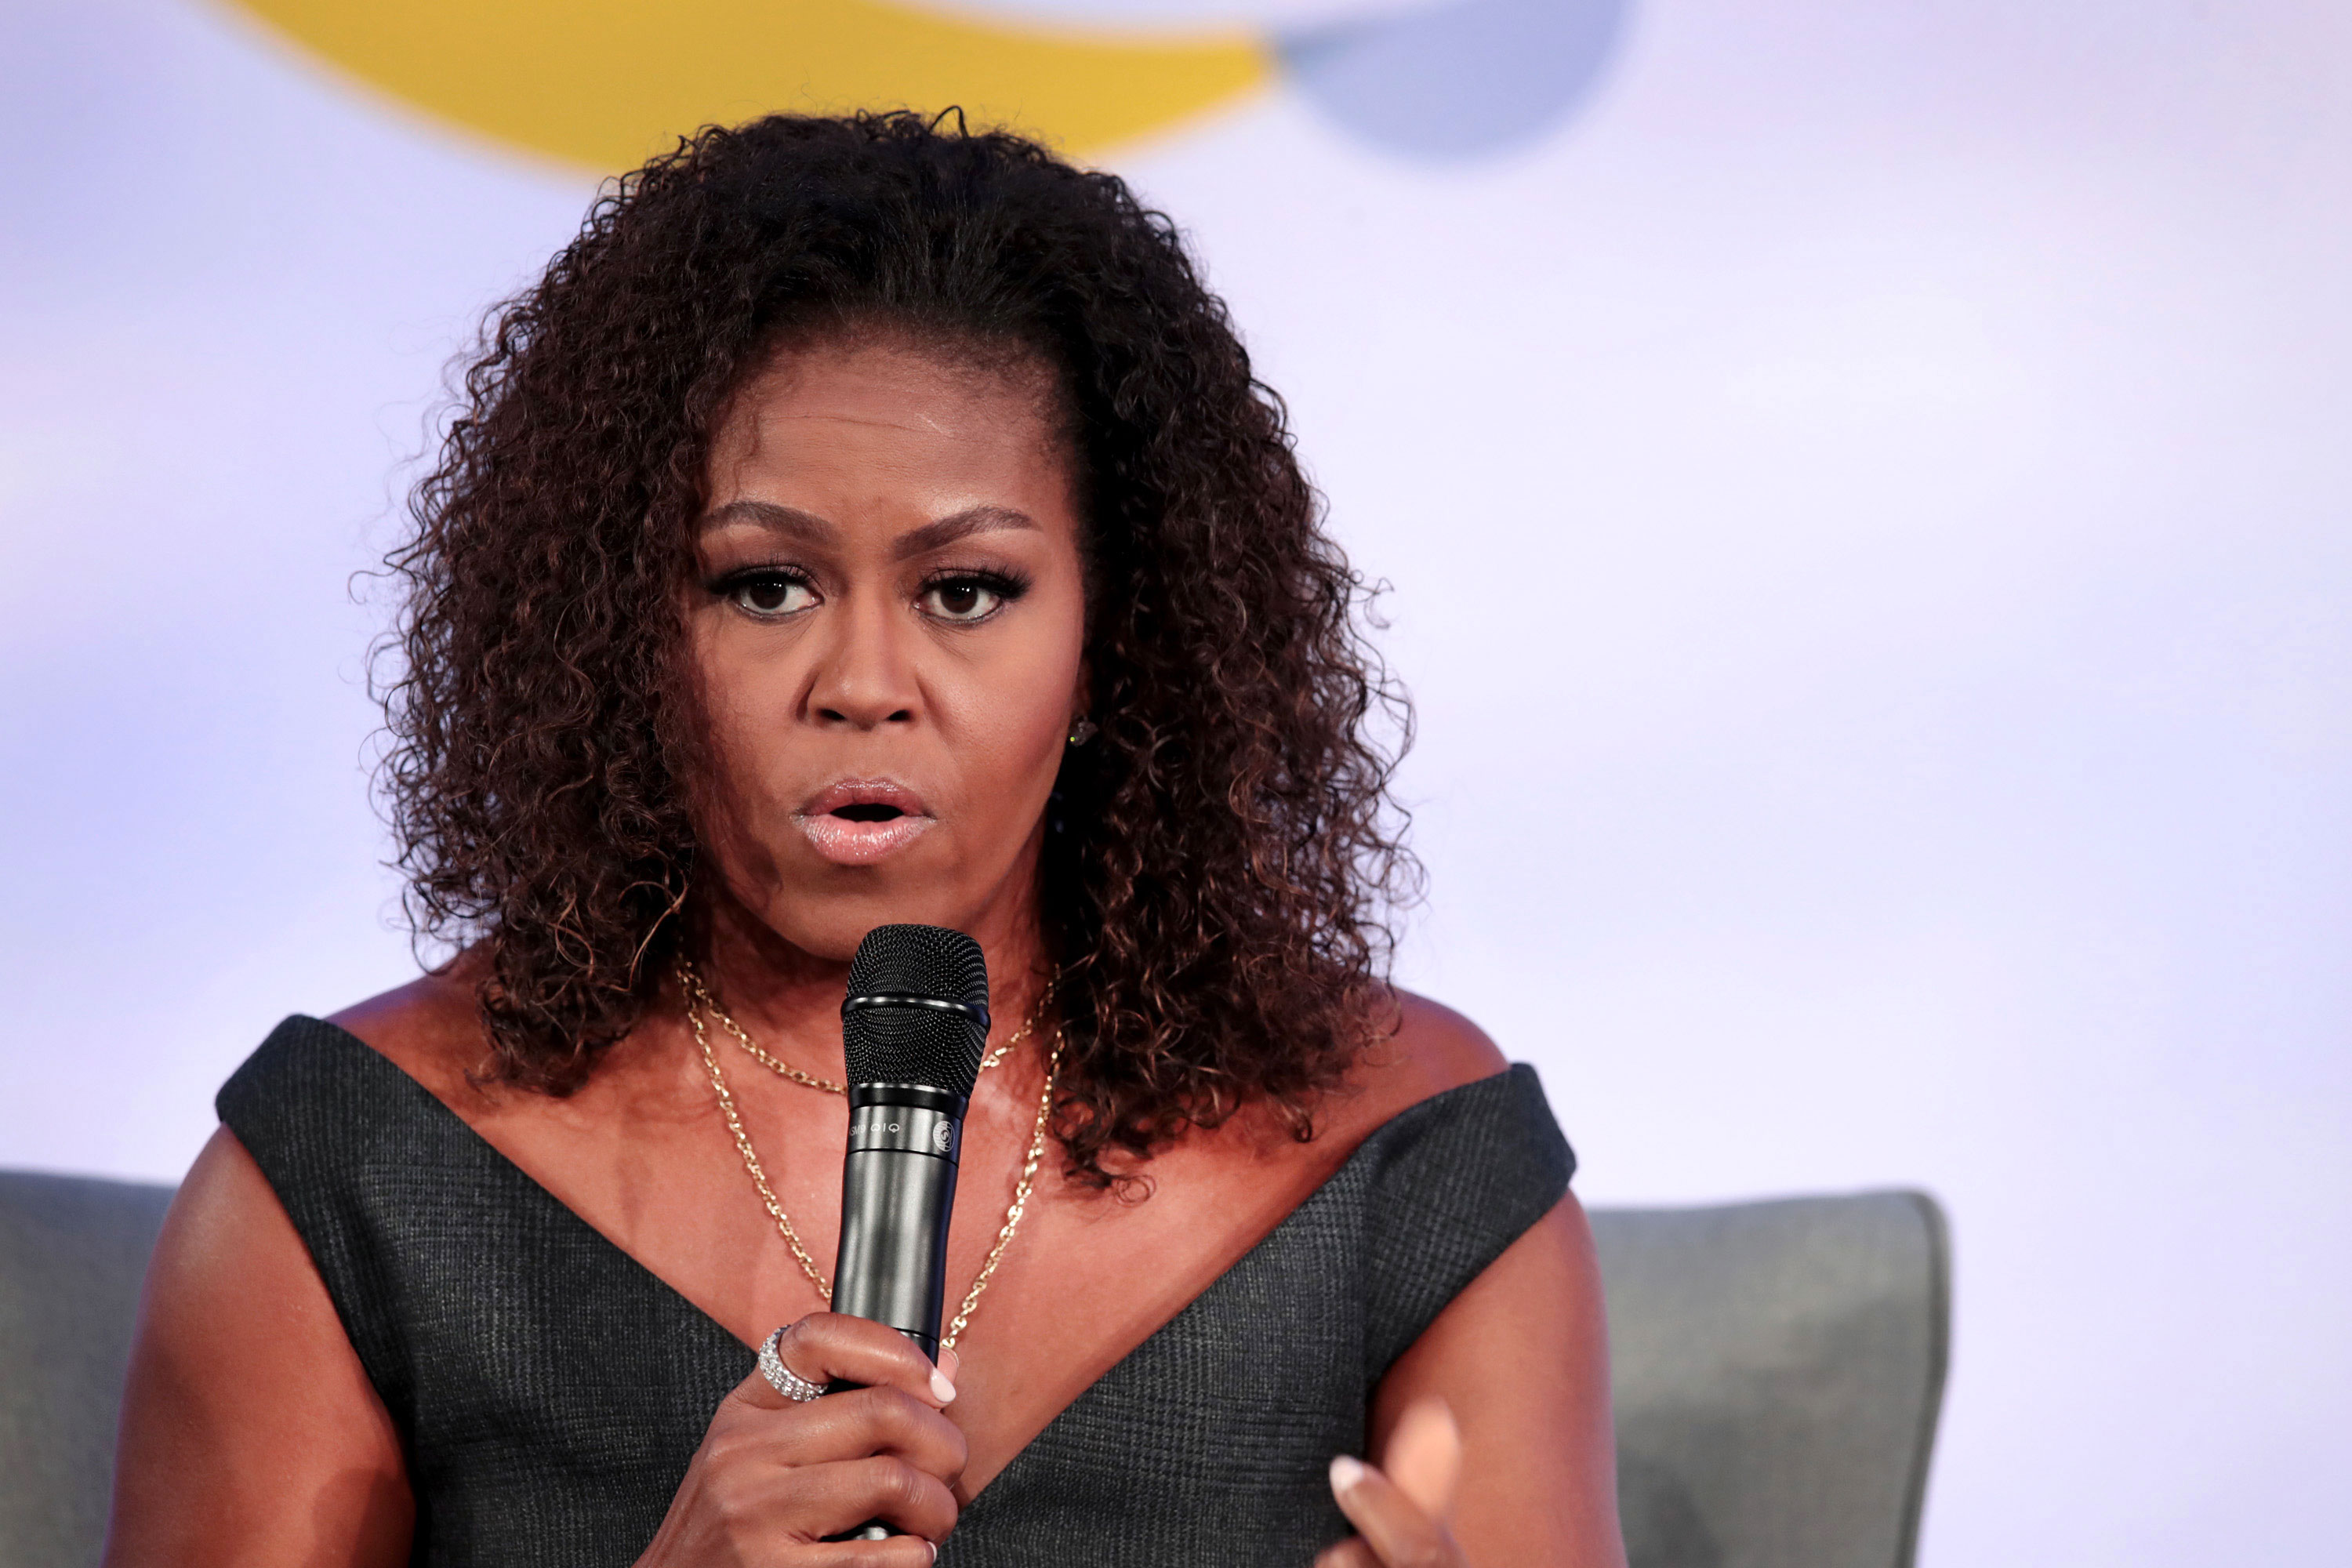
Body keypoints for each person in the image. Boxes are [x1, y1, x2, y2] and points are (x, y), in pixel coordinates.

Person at [103, 112, 1624, 1567]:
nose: (863, 686)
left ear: (1115, 642)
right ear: (625, 626)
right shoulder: (358, 1174)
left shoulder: (1399, 1150)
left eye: (965, 591)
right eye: (765, 585)